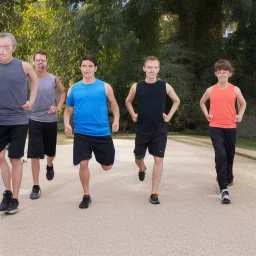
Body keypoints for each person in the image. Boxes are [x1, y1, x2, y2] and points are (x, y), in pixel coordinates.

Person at [64, 55, 120, 209]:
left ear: (95, 68)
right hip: (82, 132)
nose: (87, 69)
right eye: (84, 66)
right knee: (83, 163)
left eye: (90, 66)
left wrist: (116, 120)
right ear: (80, 68)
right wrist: (67, 124)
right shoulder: (74, 88)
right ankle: (86, 195)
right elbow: (68, 110)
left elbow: (114, 105)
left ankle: (100, 157)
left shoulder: (105, 87)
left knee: (107, 166)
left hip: (102, 132)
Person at [125, 56, 180, 204]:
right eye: (149, 67)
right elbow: (128, 101)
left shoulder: (165, 86)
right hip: (142, 127)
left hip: (159, 128)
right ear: (144, 68)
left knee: (158, 159)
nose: (152, 70)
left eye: (155, 67)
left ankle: (154, 192)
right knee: (138, 157)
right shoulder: (137, 86)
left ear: (158, 69)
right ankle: (142, 168)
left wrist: (168, 116)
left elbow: (177, 100)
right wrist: (133, 114)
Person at [0, 32, 38, 214]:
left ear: (13, 48)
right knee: (0, 158)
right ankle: (7, 193)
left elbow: (34, 81)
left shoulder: (23, 66)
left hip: (19, 120)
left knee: (15, 158)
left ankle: (14, 199)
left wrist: (31, 101)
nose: (2, 50)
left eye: (6, 47)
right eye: (0, 47)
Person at [200, 59, 246, 204]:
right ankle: (223, 188)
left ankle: (228, 175)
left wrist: (240, 114)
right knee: (220, 154)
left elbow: (243, 103)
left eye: (224, 71)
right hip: (215, 127)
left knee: (230, 155)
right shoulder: (210, 90)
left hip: (231, 127)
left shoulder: (235, 89)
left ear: (230, 73)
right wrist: (206, 113)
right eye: (219, 71)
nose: (222, 74)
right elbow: (202, 102)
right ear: (215, 74)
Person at [27, 50, 66, 200]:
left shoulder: (53, 79)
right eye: (38, 60)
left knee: (51, 153)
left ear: (47, 62)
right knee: (35, 154)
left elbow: (63, 92)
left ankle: (50, 165)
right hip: (34, 120)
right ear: (34, 62)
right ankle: (36, 186)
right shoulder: (28, 79)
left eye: (43, 60)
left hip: (50, 120)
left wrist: (57, 107)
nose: (40, 63)